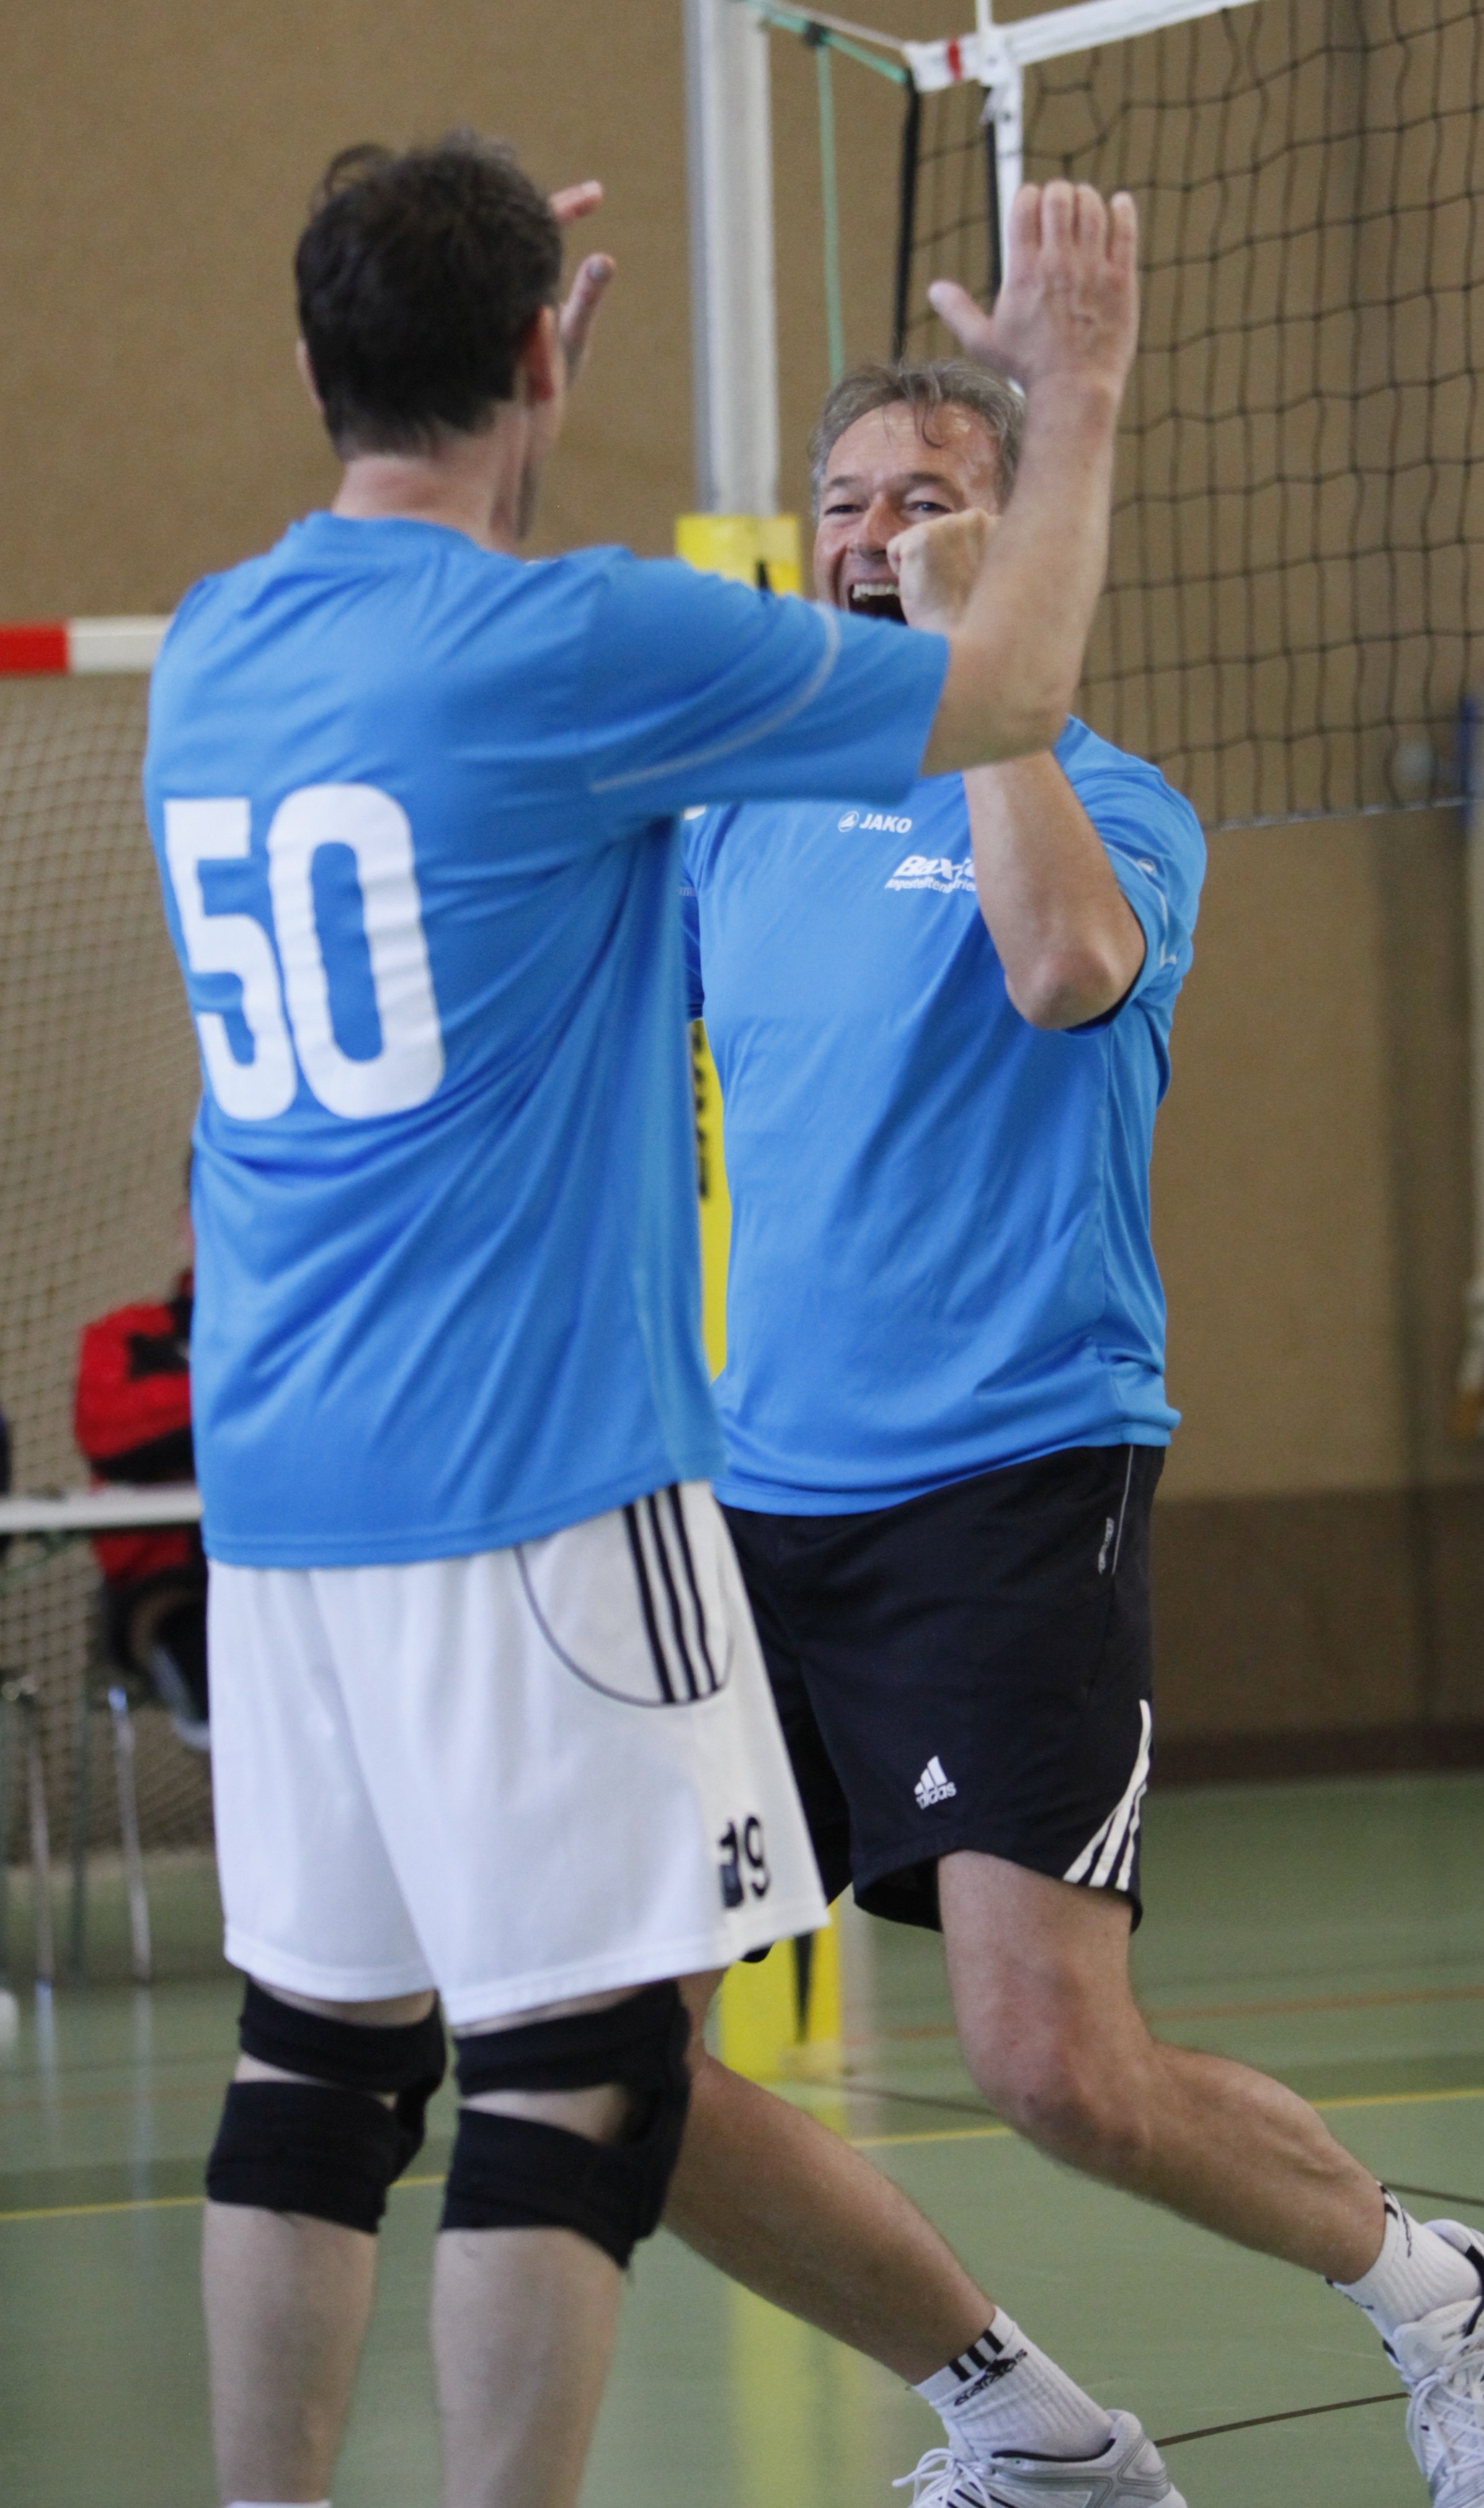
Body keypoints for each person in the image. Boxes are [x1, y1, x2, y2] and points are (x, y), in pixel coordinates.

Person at [143, 136, 1147, 2508]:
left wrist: (504, 445)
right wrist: (1079, 393)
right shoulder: (577, 643)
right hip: (529, 1471)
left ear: (306, 360)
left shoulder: (214, 643)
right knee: (579, 2072)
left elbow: (458, 657)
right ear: (537, 354)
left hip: (273, 1495)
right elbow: (1004, 682)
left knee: (316, 2064)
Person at [670, 357, 1484, 2508]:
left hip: (1007, 1486)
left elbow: (1064, 965)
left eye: (929, 493)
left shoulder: (1108, 802)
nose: (874, 528)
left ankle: (1444, 2295)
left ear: (1019, 542)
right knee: (610, 2067)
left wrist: (987, 677)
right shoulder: (739, 818)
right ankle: (1024, 2427)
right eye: (843, 497)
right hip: (748, 1508)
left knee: (1054, 2065)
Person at [74, 1204, 209, 1750]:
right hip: (174, 1587)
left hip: (314, 1564)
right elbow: (108, 1432)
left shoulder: (320, 1328)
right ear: (187, 1225)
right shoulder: (128, 1336)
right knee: (207, 1652)